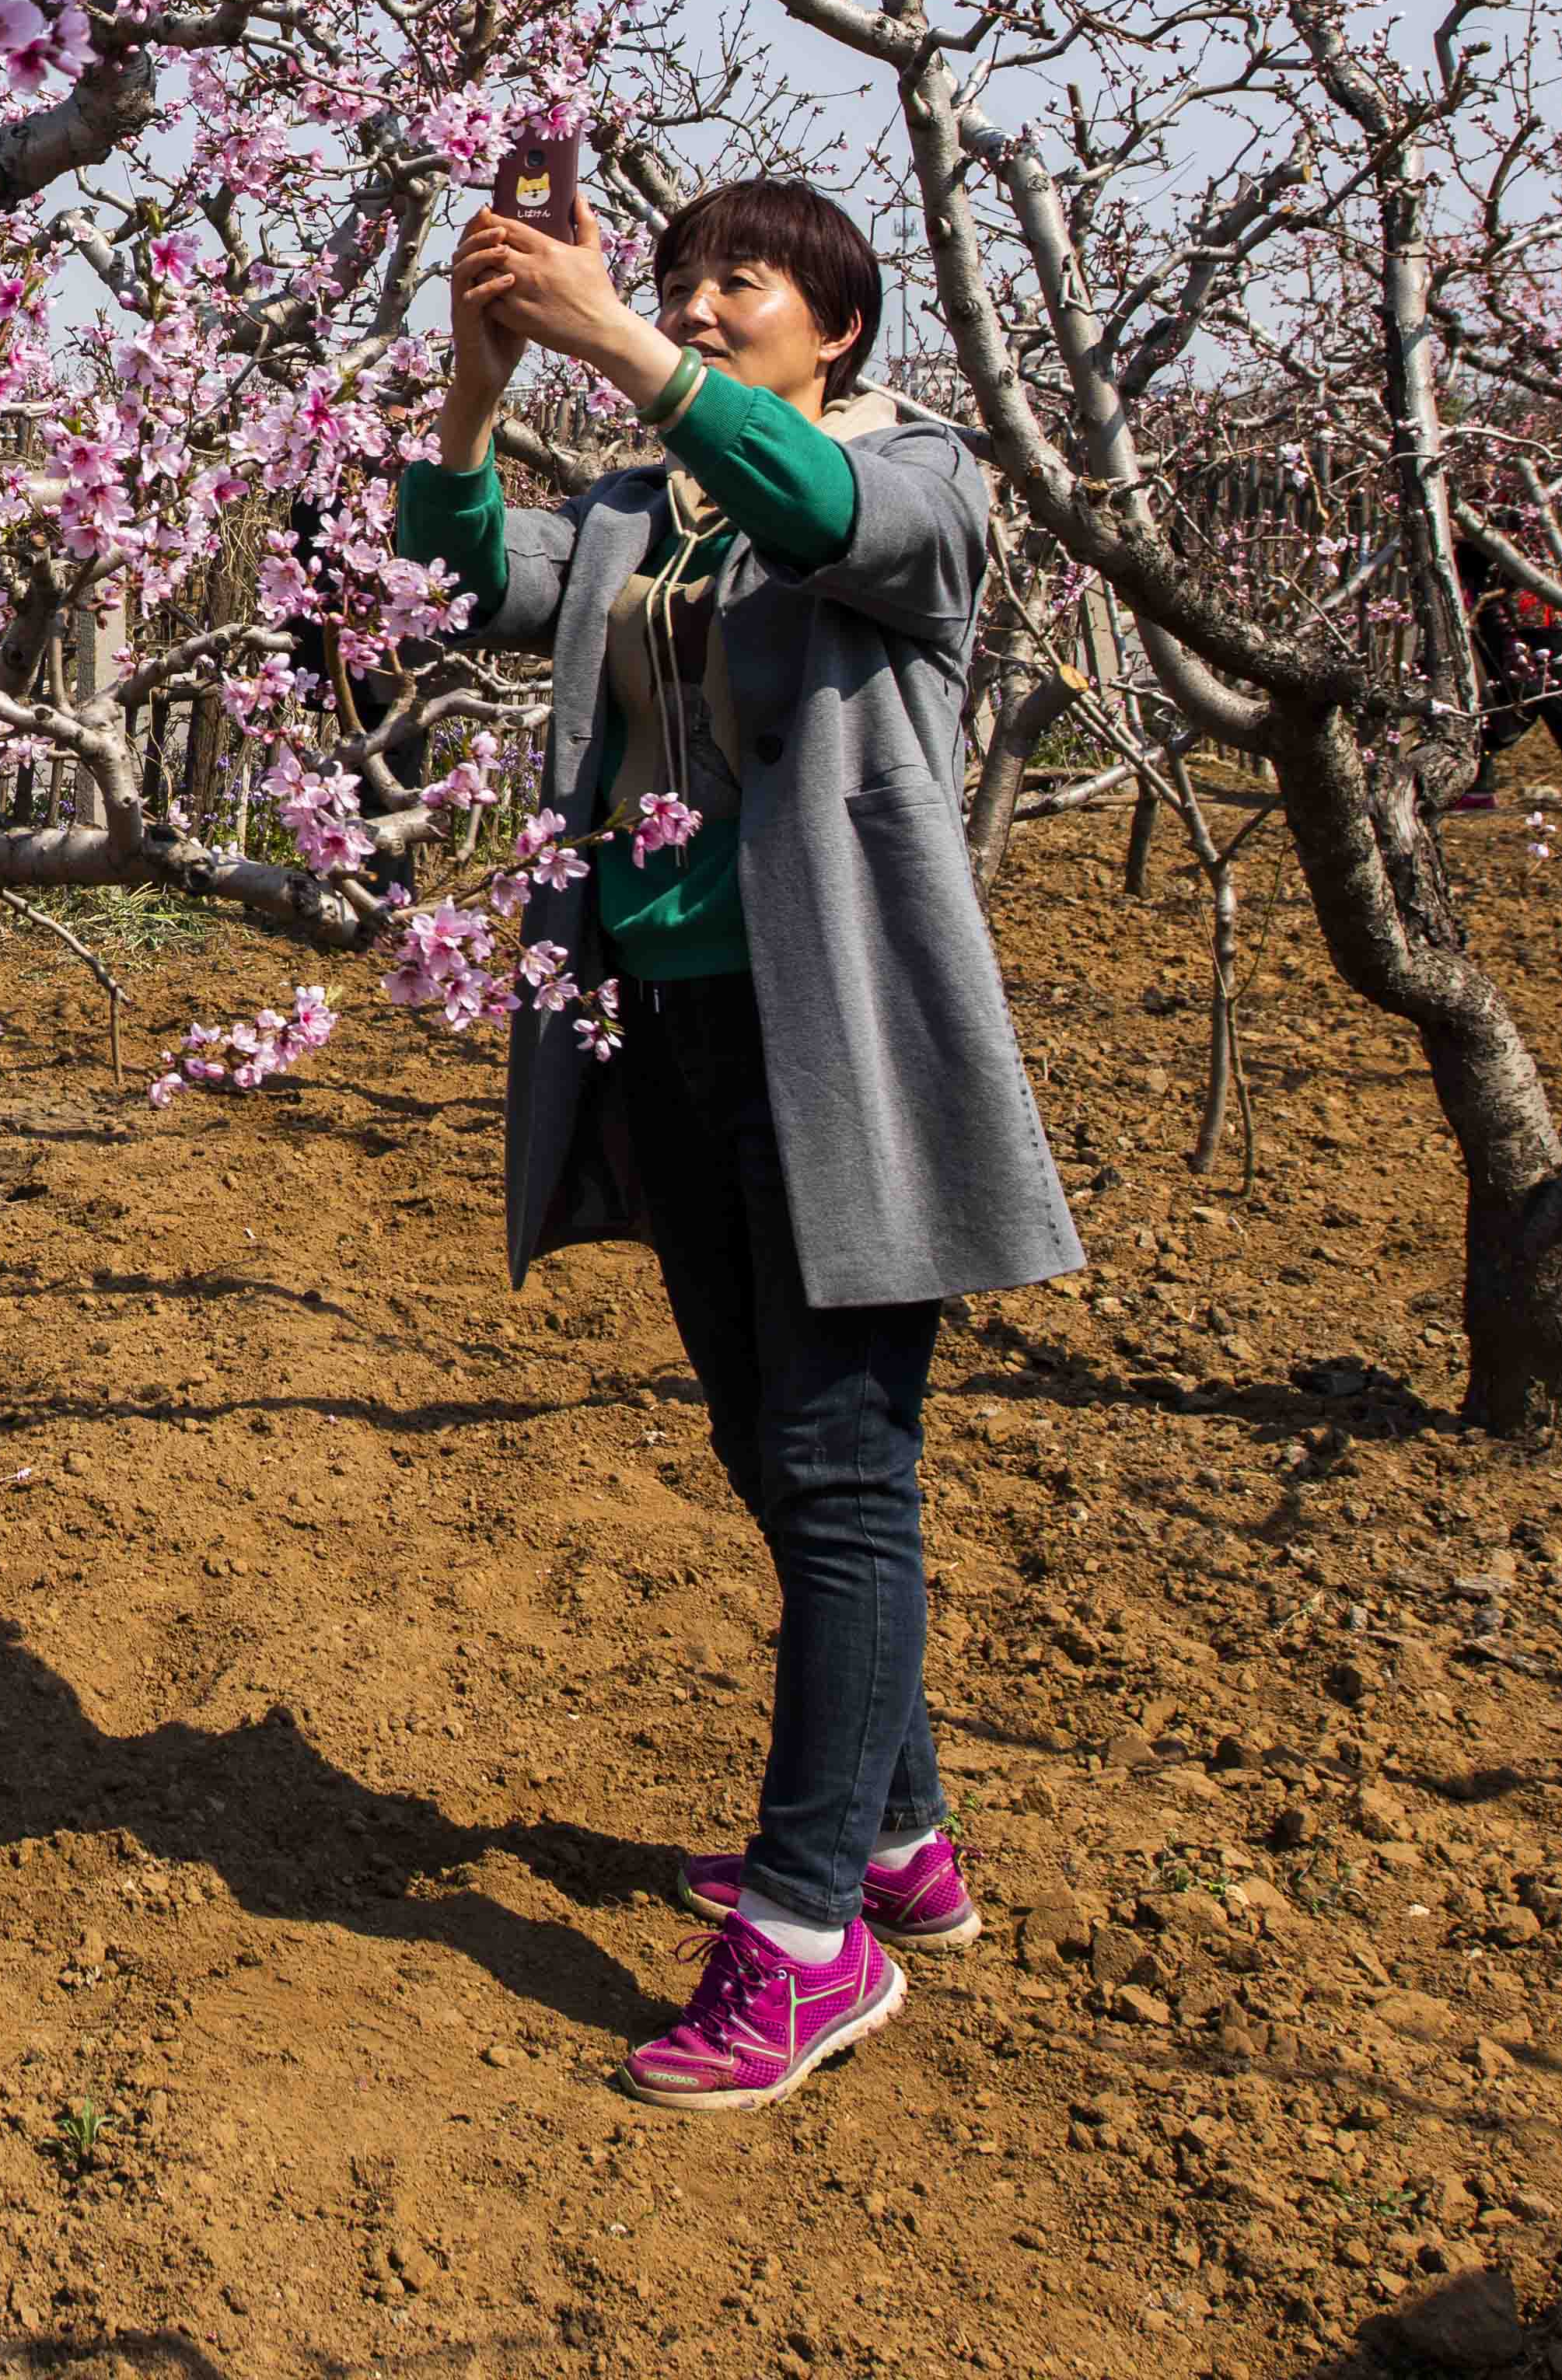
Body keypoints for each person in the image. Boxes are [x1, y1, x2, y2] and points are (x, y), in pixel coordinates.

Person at [404, 176, 1085, 2110]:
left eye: (739, 284)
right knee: (765, 1442)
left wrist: (615, 333)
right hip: (669, 1021)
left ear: (835, 331)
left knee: (842, 1457)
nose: (696, 306)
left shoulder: (914, 477)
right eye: (680, 276)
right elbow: (459, 581)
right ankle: (898, 1839)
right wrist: (471, 387)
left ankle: (804, 1933)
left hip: (839, 1039)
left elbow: (823, 515)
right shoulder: (634, 514)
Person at [1448, 519, 1562, 813]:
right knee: (1487, 695)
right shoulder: (1460, 484)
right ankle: (1477, 785)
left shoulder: (1514, 495)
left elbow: (1527, 534)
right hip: (1487, 607)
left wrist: (1469, 532)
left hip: (1534, 607)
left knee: (1553, 697)